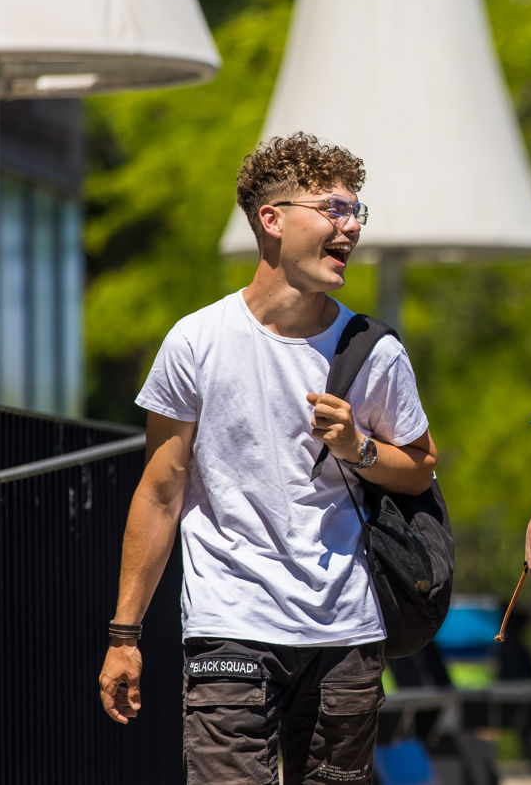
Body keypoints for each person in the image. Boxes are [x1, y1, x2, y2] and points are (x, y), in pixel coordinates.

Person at [96, 132, 438, 785]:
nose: (351, 227)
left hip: (345, 633)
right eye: (333, 209)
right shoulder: (196, 342)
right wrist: (124, 635)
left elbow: (421, 469)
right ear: (272, 220)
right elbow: (160, 493)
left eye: (356, 211)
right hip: (230, 622)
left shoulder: (374, 351)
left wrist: (358, 448)